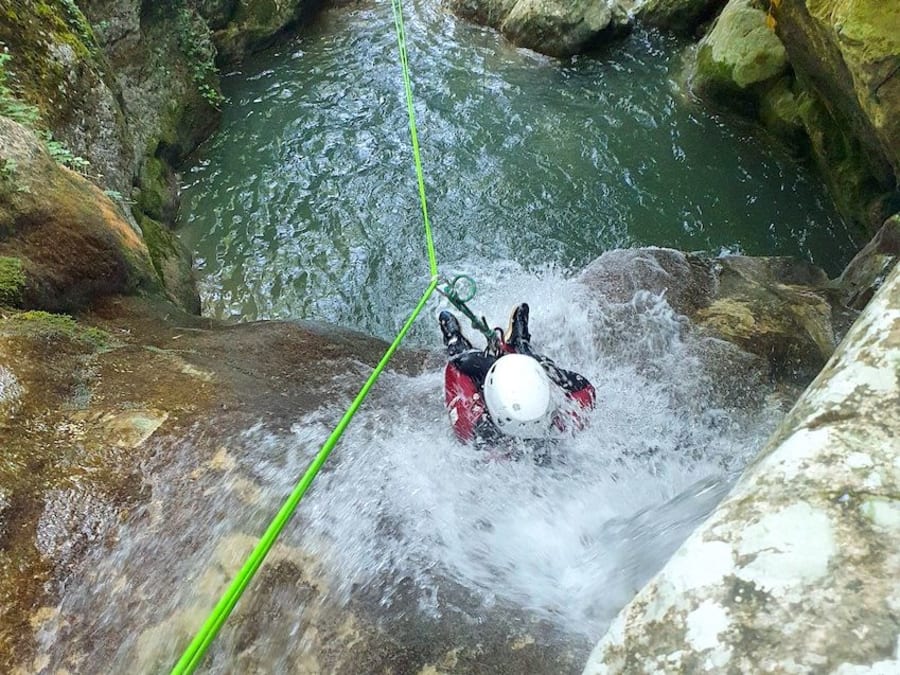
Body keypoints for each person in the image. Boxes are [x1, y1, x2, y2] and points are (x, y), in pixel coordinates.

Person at [439, 303, 595, 446]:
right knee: (540, 365)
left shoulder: (473, 430)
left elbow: (455, 371)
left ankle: (455, 340)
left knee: (459, 361)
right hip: (521, 407)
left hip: (490, 406)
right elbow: (585, 388)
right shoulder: (565, 424)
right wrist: (540, 368)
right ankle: (520, 347)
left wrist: (461, 353)